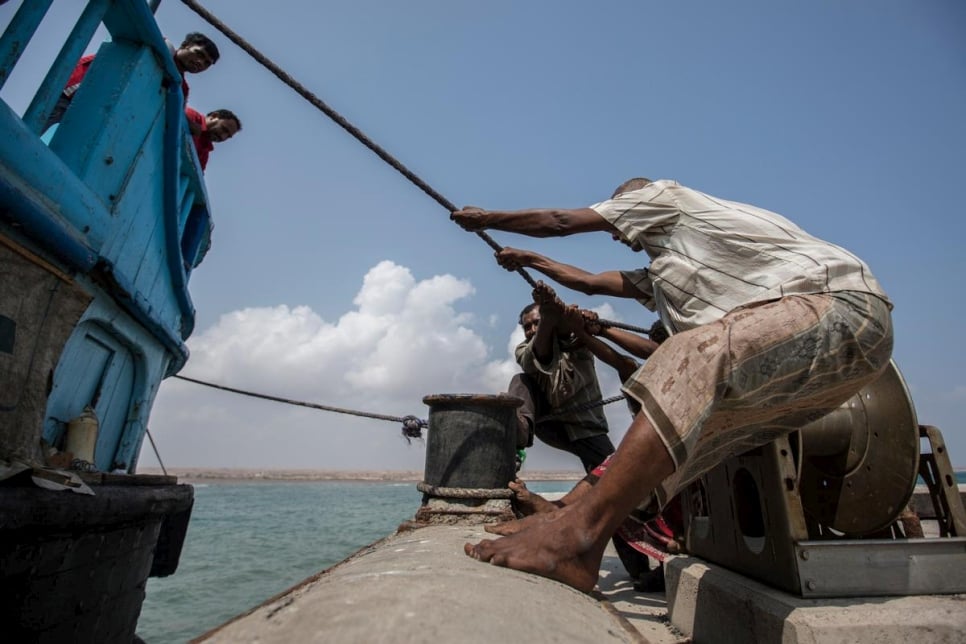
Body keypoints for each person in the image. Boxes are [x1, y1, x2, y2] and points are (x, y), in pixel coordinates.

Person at [452, 177, 893, 592]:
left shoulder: (666, 196)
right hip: (820, 361)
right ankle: (564, 516)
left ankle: (578, 539)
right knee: (688, 448)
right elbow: (588, 282)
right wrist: (531, 261)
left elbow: (562, 222)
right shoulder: (666, 273)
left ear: (635, 202)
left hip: (841, 308)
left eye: (620, 219)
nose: (616, 234)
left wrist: (488, 219)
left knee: (693, 353)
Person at [510, 282, 638, 473]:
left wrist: (584, 321)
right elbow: (536, 356)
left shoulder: (576, 339)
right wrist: (548, 315)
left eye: (537, 322)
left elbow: (567, 334)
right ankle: (517, 434)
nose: (533, 330)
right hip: (551, 422)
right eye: (527, 327)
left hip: (585, 426)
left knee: (613, 476)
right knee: (520, 381)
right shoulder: (524, 349)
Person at [46, 32, 219, 127]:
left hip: (104, 114)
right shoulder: (159, 45)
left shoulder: (180, 88)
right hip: (79, 90)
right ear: (185, 46)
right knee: (36, 125)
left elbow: (173, 116)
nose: (199, 62)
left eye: (206, 63)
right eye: (198, 54)